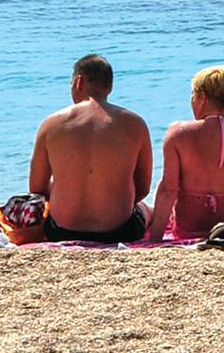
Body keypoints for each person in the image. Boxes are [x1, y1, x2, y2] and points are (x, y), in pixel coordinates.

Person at [29, 54, 152, 243]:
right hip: (121, 231)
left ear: (78, 82)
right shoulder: (135, 124)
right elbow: (143, 188)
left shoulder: (51, 124)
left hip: (61, 231)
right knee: (146, 209)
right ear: (110, 87)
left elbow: (36, 189)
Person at [150, 65, 224, 242]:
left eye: (193, 95)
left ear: (201, 97)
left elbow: (168, 190)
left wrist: (154, 238)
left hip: (189, 230)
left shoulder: (177, 133)